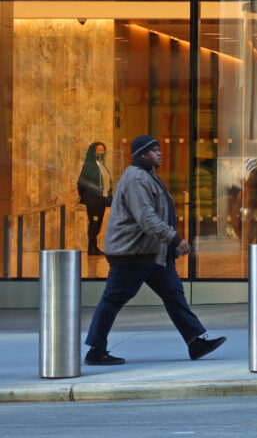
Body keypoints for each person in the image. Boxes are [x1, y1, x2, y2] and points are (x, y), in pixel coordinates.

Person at [83, 135, 226, 366]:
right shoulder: (137, 178)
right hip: (132, 253)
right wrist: (174, 239)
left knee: (173, 293)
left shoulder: (148, 175)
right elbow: (147, 218)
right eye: (153, 150)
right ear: (141, 154)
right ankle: (95, 350)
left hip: (151, 252)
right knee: (113, 299)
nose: (159, 153)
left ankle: (195, 342)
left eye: (159, 149)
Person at [77, 141, 113, 256]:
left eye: (103, 150)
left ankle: (94, 247)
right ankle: (91, 248)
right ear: (94, 152)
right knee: (94, 223)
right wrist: (86, 196)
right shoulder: (88, 165)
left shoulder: (102, 165)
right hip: (93, 200)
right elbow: (81, 183)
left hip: (102, 200)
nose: (101, 152)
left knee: (98, 224)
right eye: (99, 150)